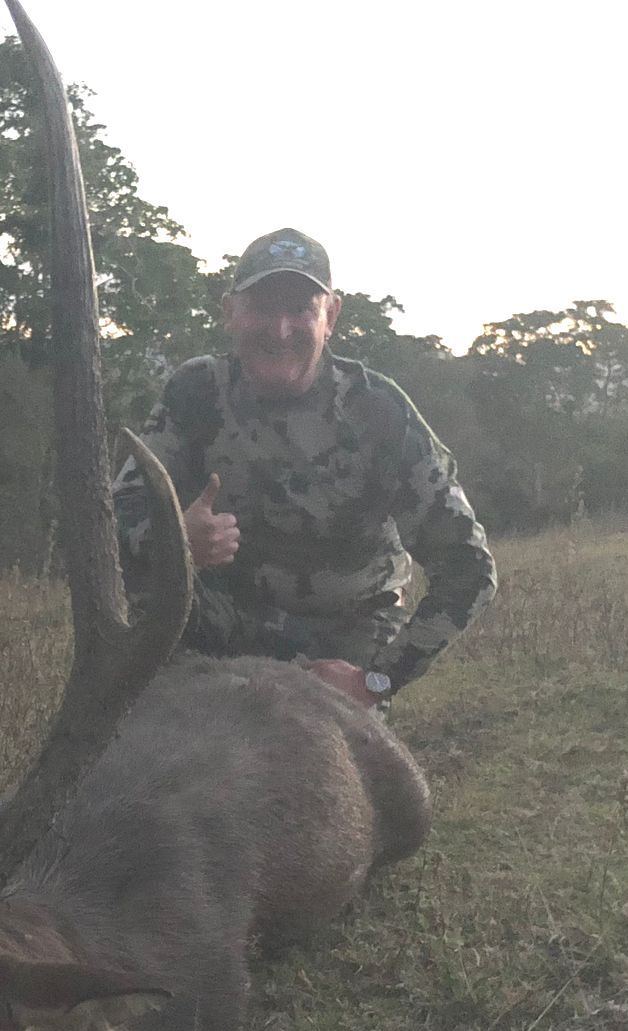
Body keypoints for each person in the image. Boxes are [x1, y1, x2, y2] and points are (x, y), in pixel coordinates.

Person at [114, 227, 496, 707]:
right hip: (216, 627)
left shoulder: (381, 413)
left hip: (343, 641)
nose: (280, 330)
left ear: (330, 315)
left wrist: (375, 682)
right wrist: (174, 537)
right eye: (262, 308)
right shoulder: (195, 392)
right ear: (230, 312)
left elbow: (469, 567)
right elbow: (115, 511)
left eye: (300, 309)